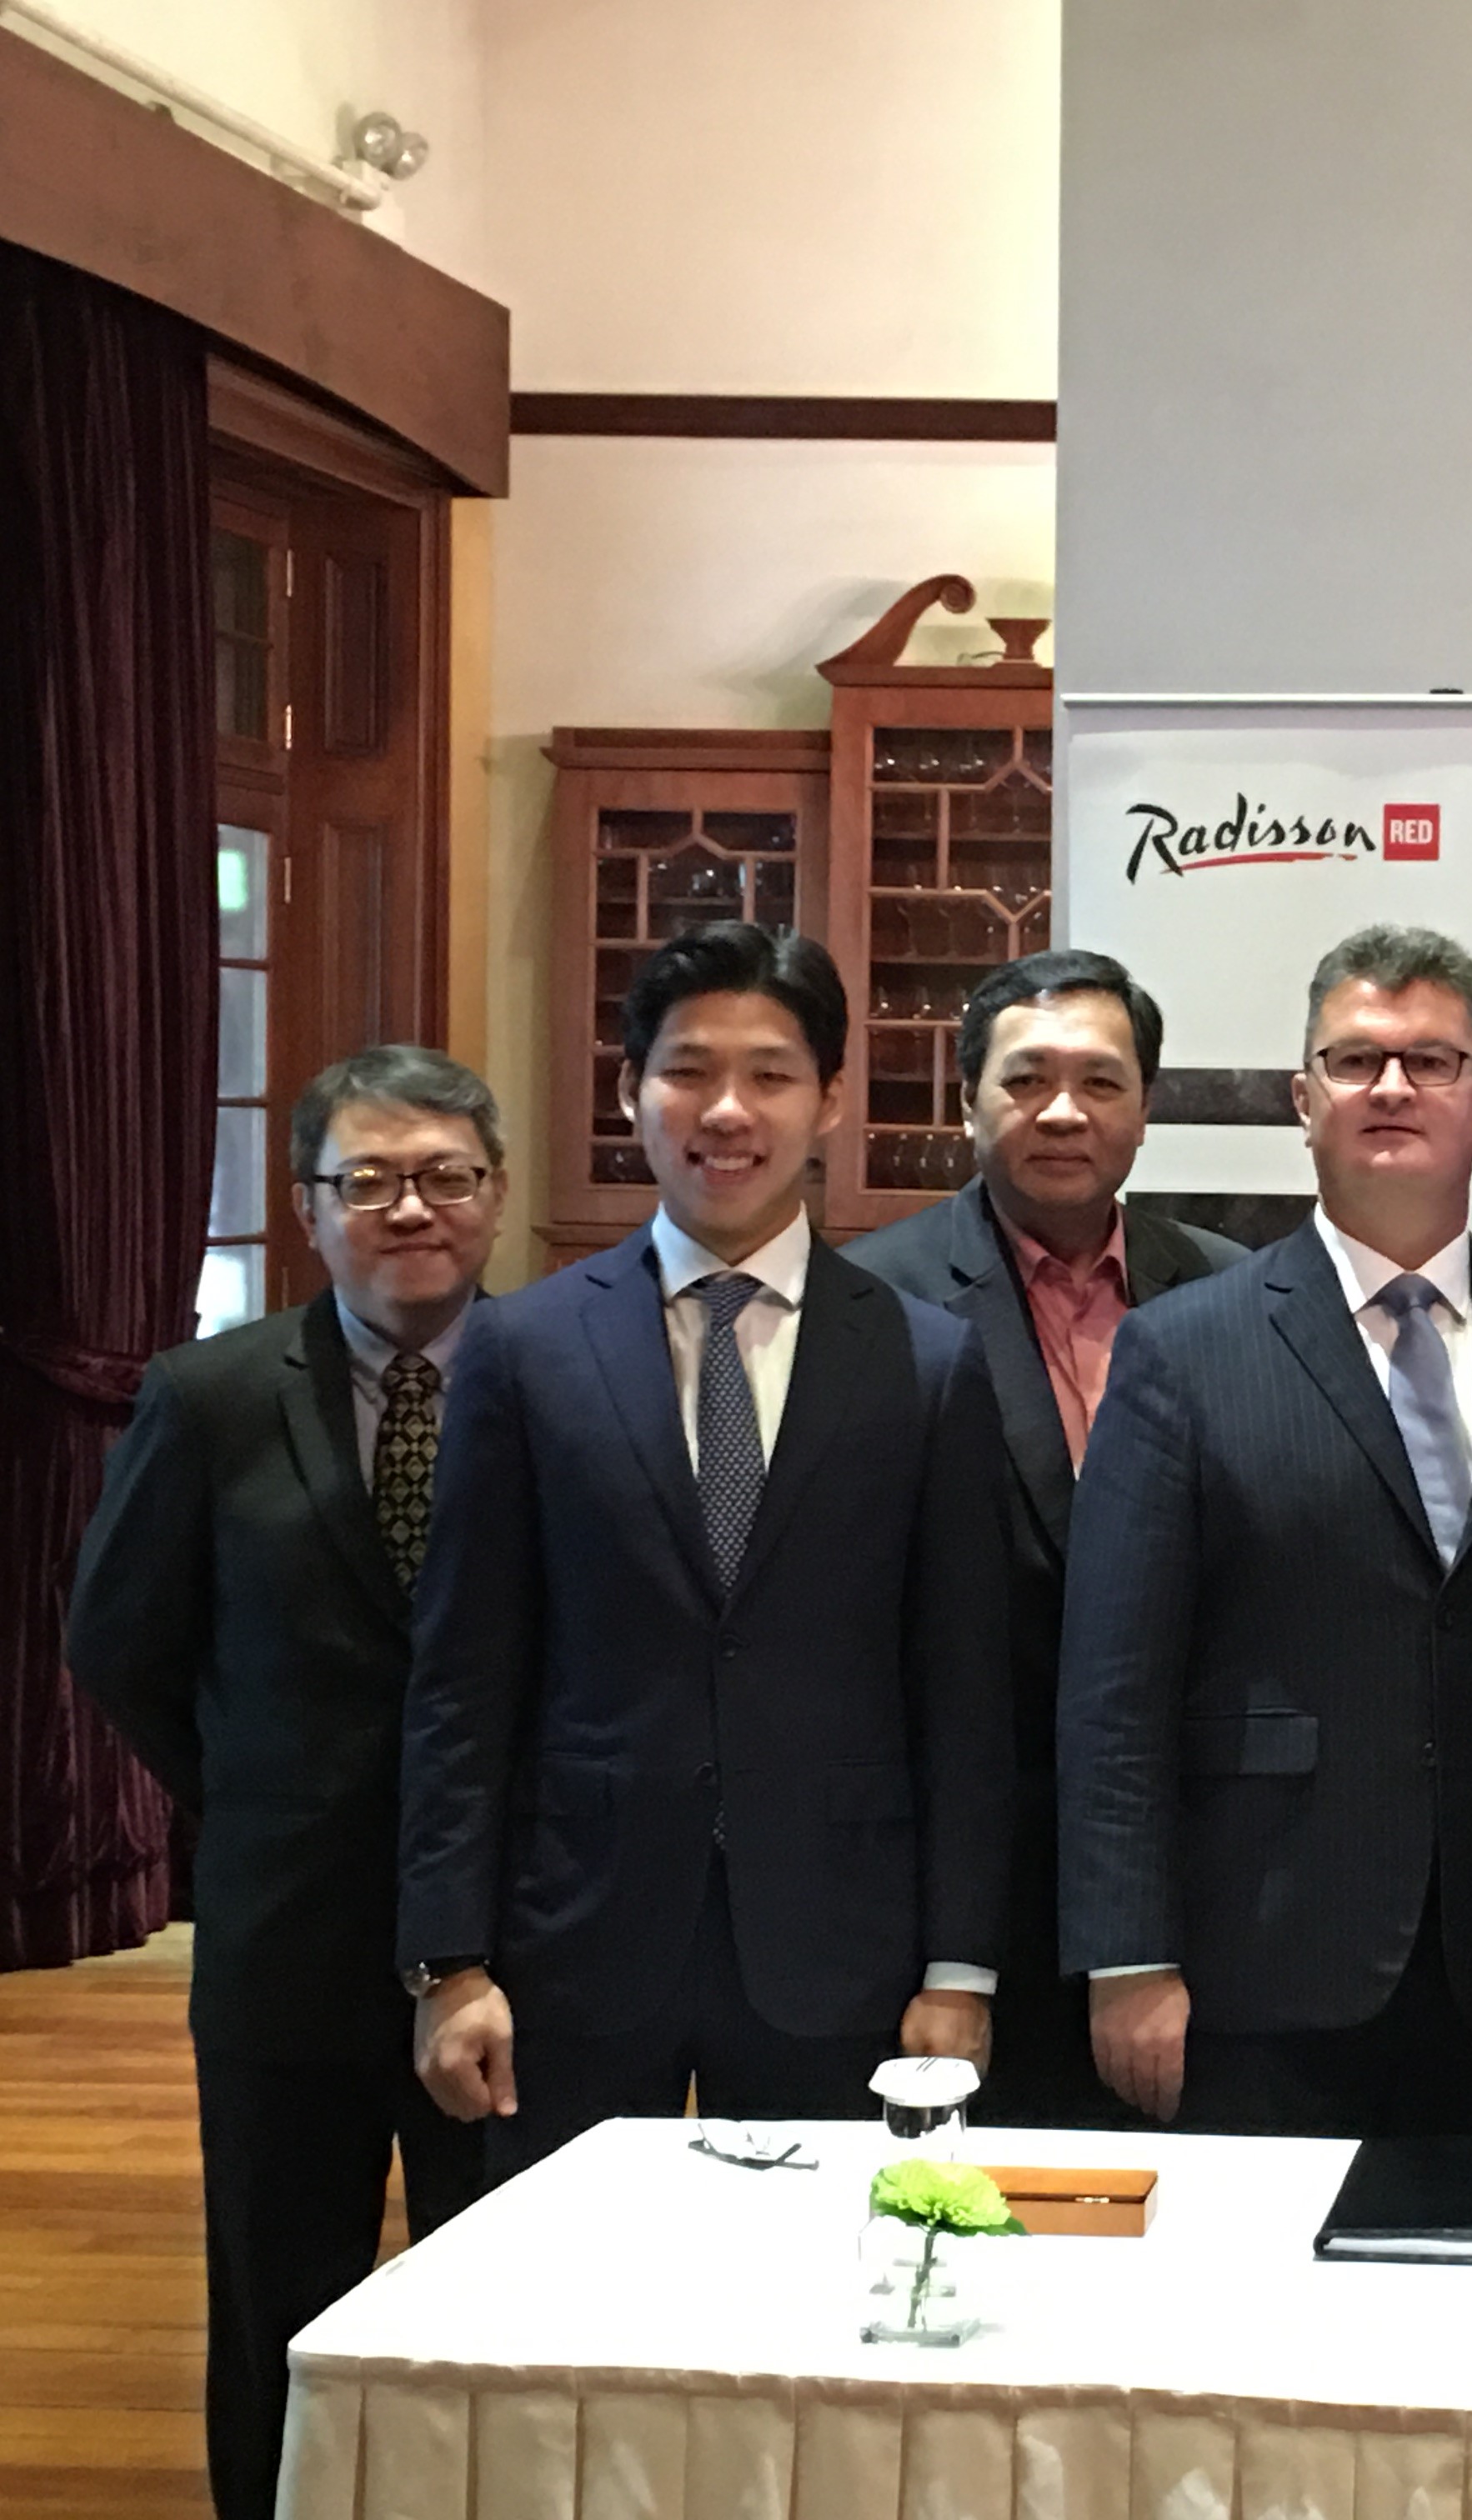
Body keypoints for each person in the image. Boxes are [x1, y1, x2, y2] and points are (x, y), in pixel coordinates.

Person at [396, 922, 1009, 2177]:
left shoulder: (928, 1361)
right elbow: (464, 1676)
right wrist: (448, 1961)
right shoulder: (524, 1348)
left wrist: (960, 1967)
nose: (726, 1111)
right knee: (562, 2285)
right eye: (687, 1070)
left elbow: (962, 1687)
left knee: (815, 2287)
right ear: (632, 1089)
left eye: (770, 1075)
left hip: (838, 1946)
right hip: (573, 1936)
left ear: (828, 1099)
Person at [1057, 922, 1472, 2135]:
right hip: (1257, 1949)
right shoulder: (1182, 1349)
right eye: (1357, 1059)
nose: (1392, 1086)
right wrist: (1127, 1953)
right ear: (1303, 1100)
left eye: (1432, 1061)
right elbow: (1113, 1682)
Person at [68, 1048, 505, 2520]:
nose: (410, 1209)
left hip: (512, 1945)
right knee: (279, 2306)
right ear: (310, 1207)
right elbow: (118, 1641)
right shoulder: (209, 1396)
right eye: (367, 1179)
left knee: (497, 2309)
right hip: (287, 1940)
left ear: (493, 1195)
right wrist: (253, 1791)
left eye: (444, 1176)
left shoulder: (562, 1379)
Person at [851, 949, 1246, 2126]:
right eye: (1026, 1079)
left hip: (1200, 1885)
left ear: (1146, 1105)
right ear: (967, 1098)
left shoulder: (1232, 1294)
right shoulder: (874, 1305)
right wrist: (947, 1951)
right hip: (963, 1898)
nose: (1063, 1111)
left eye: (1100, 1081)